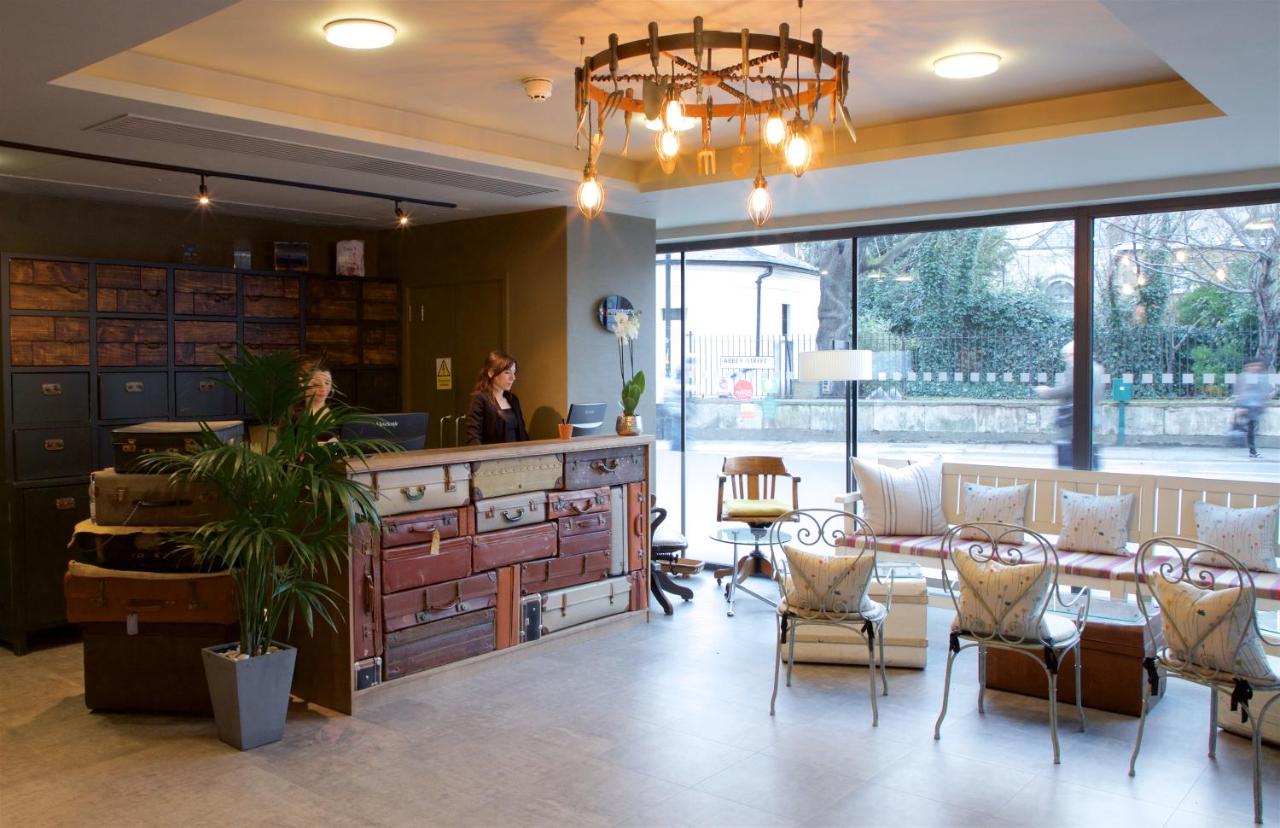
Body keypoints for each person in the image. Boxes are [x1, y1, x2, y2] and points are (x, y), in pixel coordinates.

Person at [1035, 340, 1103, 468]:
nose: (1066, 360)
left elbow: (1069, 389)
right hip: (1090, 418)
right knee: (1089, 456)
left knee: (1068, 461)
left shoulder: (1077, 368)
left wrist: (1046, 392)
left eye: (1067, 356)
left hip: (1071, 421)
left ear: (1074, 354)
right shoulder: (1097, 369)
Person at [466, 350, 529, 445]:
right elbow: (473, 437)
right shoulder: (480, 400)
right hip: (493, 454)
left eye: (514, 372)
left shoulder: (513, 399)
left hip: (516, 453)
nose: (513, 378)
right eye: (507, 372)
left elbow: (522, 434)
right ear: (491, 373)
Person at [1235, 358, 1273, 459]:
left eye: (1258, 365)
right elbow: (1240, 392)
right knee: (1249, 428)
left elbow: (1265, 392)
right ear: (1247, 367)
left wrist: (1264, 403)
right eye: (1253, 365)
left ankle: (1251, 448)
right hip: (1246, 407)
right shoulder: (1244, 377)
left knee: (1252, 429)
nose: (1256, 367)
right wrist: (1240, 406)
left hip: (1256, 408)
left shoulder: (1262, 377)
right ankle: (1252, 450)